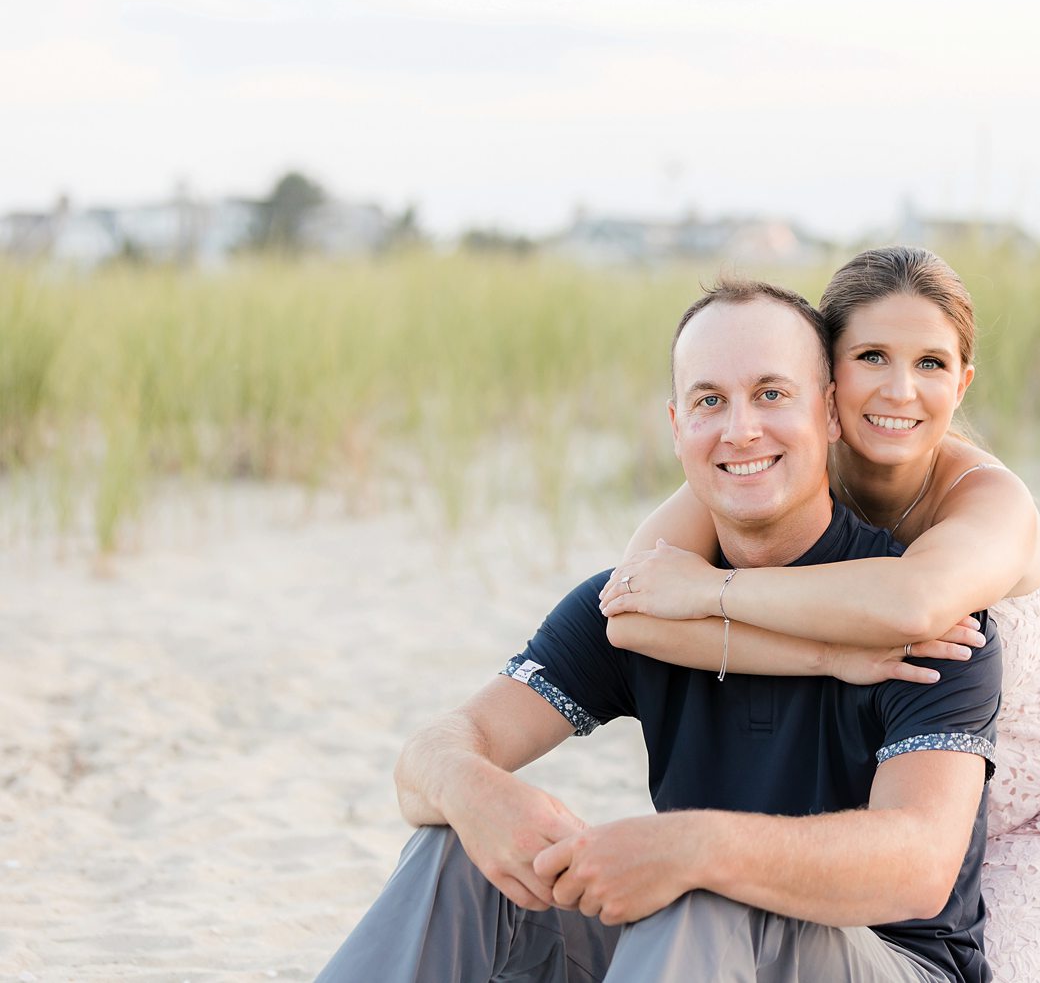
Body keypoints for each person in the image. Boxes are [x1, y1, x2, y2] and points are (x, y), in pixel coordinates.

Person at [316, 279, 1004, 983]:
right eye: (710, 400)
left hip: (893, 963)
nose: (740, 429)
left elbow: (919, 862)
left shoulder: (925, 623)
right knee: (455, 848)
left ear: (829, 412)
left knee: (706, 890)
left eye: (771, 394)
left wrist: (693, 846)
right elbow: (427, 759)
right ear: (677, 427)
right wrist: (474, 791)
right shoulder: (644, 607)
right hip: (692, 954)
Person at [598, 246, 1040, 982]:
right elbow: (628, 612)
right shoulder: (772, 460)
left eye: (932, 363)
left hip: (1036, 806)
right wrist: (822, 658)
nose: (901, 389)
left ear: (962, 382)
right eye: (873, 355)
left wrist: (710, 593)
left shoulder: (989, 499)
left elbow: (914, 603)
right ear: (825, 379)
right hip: (897, 788)